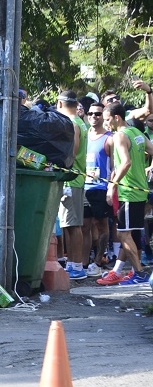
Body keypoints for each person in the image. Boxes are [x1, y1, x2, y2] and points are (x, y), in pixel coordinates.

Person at [98, 101, 150, 285]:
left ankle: (139, 273)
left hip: (128, 192)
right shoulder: (137, 133)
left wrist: (113, 184)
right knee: (130, 233)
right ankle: (130, 272)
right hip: (140, 191)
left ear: (116, 117)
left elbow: (126, 162)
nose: (105, 124)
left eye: (107, 120)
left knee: (123, 235)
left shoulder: (120, 135)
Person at [55, 92, 88, 279]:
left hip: (72, 180)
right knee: (69, 225)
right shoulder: (80, 123)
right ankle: (73, 264)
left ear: (60, 103)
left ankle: (77, 266)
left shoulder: (73, 123)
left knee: (73, 225)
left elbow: (72, 154)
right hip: (74, 179)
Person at [82, 102, 113, 278]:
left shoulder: (109, 138)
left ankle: (98, 260)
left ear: (103, 116)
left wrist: (111, 187)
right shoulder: (84, 135)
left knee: (102, 226)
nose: (93, 116)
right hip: (85, 186)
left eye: (98, 114)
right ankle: (84, 263)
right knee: (85, 226)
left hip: (101, 188)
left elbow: (115, 167)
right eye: (90, 113)